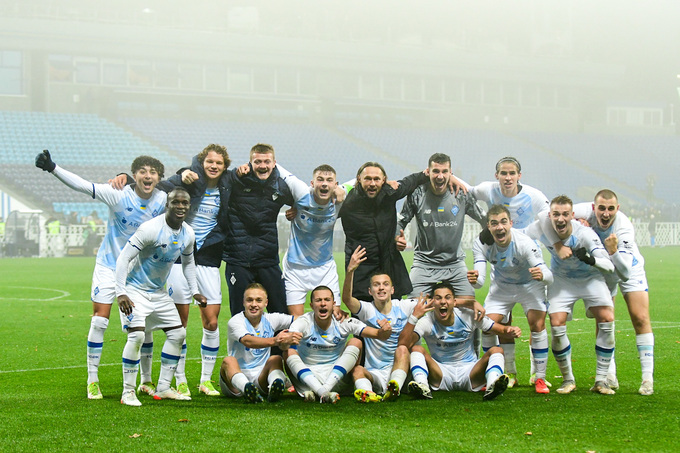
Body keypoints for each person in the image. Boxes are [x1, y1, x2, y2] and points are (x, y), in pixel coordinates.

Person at [35, 150, 167, 400]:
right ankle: (92, 380)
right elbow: (83, 186)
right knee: (100, 321)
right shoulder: (118, 194)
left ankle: (145, 381)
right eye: (142, 172)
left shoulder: (163, 200)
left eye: (153, 173)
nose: (148, 176)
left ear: (159, 178)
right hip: (109, 266)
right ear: (135, 175)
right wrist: (53, 168)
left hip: (137, 273)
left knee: (143, 326)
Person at [115, 188, 207, 406]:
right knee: (137, 336)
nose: (180, 206)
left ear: (189, 206)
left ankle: (164, 387)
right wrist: (121, 292)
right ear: (167, 205)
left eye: (185, 203)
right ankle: (128, 392)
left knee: (178, 334)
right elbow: (123, 258)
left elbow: (188, 263)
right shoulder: (150, 229)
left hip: (157, 292)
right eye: (176, 202)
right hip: (135, 290)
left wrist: (195, 291)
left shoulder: (188, 233)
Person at [469, 156, 552, 387]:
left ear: (511, 223)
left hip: (529, 285)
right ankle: (506, 373)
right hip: (502, 286)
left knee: (537, 325)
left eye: (503, 222)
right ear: (488, 225)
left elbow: (548, 275)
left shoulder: (525, 243)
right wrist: (475, 280)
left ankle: (539, 377)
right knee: (487, 325)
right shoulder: (481, 243)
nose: (499, 227)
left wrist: (542, 275)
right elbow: (480, 281)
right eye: (494, 223)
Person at [526, 195, 616, 395]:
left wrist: (591, 259)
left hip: (590, 278)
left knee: (607, 318)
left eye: (565, 214)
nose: (560, 219)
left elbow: (609, 266)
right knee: (556, 323)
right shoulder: (541, 228)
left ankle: (601, 380)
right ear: (550, 216)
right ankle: (568, 379)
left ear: (572, 215)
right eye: (556, 214)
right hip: (562, 279)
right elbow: (520, 235)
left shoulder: (585, 234)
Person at [164, 144, 231, 397]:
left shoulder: (228, 185)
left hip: (209, 257)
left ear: (225, 166)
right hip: (180, 258)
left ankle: (205, 380)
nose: (214, 166)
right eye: (209, 162)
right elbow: (163, 187)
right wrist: (181, 175)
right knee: (179, 324)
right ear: (201, 163)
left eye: (219, 163)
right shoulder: (189, 180)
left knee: (211, 322)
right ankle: (180, 379)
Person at [573, 190, 654, 395]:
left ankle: (647, 379)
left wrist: (613, 250)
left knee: (640, 317)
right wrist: (576, 223)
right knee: (604, 319)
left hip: (628, 266)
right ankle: (609, 375)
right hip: (603, 269)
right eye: (601, 208)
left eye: (611, 209)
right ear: (593, 208)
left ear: (617, 209)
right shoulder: (583, 211)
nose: (606, 213)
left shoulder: (624, 227)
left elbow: (624, 273)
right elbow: (555, 214)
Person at [385, 282, 521, 401]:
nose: (443, 302)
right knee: (416, 349)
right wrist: (414, 317)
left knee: (497, 350)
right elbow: (403, 344)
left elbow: (499, 329)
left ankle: (492, 386)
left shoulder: (468, 315)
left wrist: (510, 330)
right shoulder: (426, 321)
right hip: (441, 373)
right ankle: (423, 387)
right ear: (432, 302)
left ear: (454, 302)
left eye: (447, 297)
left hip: (470, 372)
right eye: (438, 298)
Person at [396, 152, 485, 301]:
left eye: (444, 171)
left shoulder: (461, 194)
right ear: (428, 172)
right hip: (424, 264)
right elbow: (400, 221)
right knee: (412, 308)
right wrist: (396, 237)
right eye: (436, 171)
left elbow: (485, 220)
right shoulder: (417, 195)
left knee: (469, 305)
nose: (440, 176)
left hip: (455, 264)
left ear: (450, 173)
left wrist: (487, 246)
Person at [221, 144, 295, 316]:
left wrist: (296, 208)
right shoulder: (237, 180)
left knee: (280, 313)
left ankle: (277, 337)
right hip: (238, 258)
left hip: (267, 259)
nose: (263, 166)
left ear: (274, 163)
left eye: (267, 161)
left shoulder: (281, 186)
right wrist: (235, 174)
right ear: (250, 163)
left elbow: (304, 199)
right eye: (258, 162)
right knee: (239, 315)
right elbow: (212, 175)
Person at [285, 286, 391, 403]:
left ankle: (323, 391)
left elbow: (380, 335)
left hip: (337, 378)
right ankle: (321, 392)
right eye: (318, 300)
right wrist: (285, 340)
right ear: (311, 305)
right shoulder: (304, 322)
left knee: (356, 342)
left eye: (327, 300)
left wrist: (384, 330)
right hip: (308, 378)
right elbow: (287, 341)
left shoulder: (342, 321)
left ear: (333, 304)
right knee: (288, 351)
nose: (323, 304)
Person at [340, 162, 429, 300]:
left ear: (383, 180)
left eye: (376, 179)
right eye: (367, 179)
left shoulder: (390, 193)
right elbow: (321, 204)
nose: (372, 183)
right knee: (363, 311)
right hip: (361, 267)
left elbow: (411, 181)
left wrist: (432, 174)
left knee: (393, 311)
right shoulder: (346, 201)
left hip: (389, 265)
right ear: (359, 179)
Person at [279, 164, 346, 317]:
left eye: (329, 180)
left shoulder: (340, 196)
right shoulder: (302, 193)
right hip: (295, 268)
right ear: (312, 183)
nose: (324, 184)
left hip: (325, 268)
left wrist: (388, 182)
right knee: (296, 321)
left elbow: (360, 179)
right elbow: (278, 169)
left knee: (334, 316)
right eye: (320, 179)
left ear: (335, 185)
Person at [219, 283, 301, 403]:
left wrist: (292, 335)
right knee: (228, 361)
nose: (254, 304)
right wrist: (276, 340)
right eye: (249, 300)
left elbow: (300, 320)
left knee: (276, 359)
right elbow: (248, 341)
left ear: (265, 303)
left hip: (260, 378)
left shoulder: (271, 319)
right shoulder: (235, 321)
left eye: (258, 300)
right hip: (234, 381)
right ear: (243, 302)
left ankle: (275, 385)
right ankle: (246, 388)